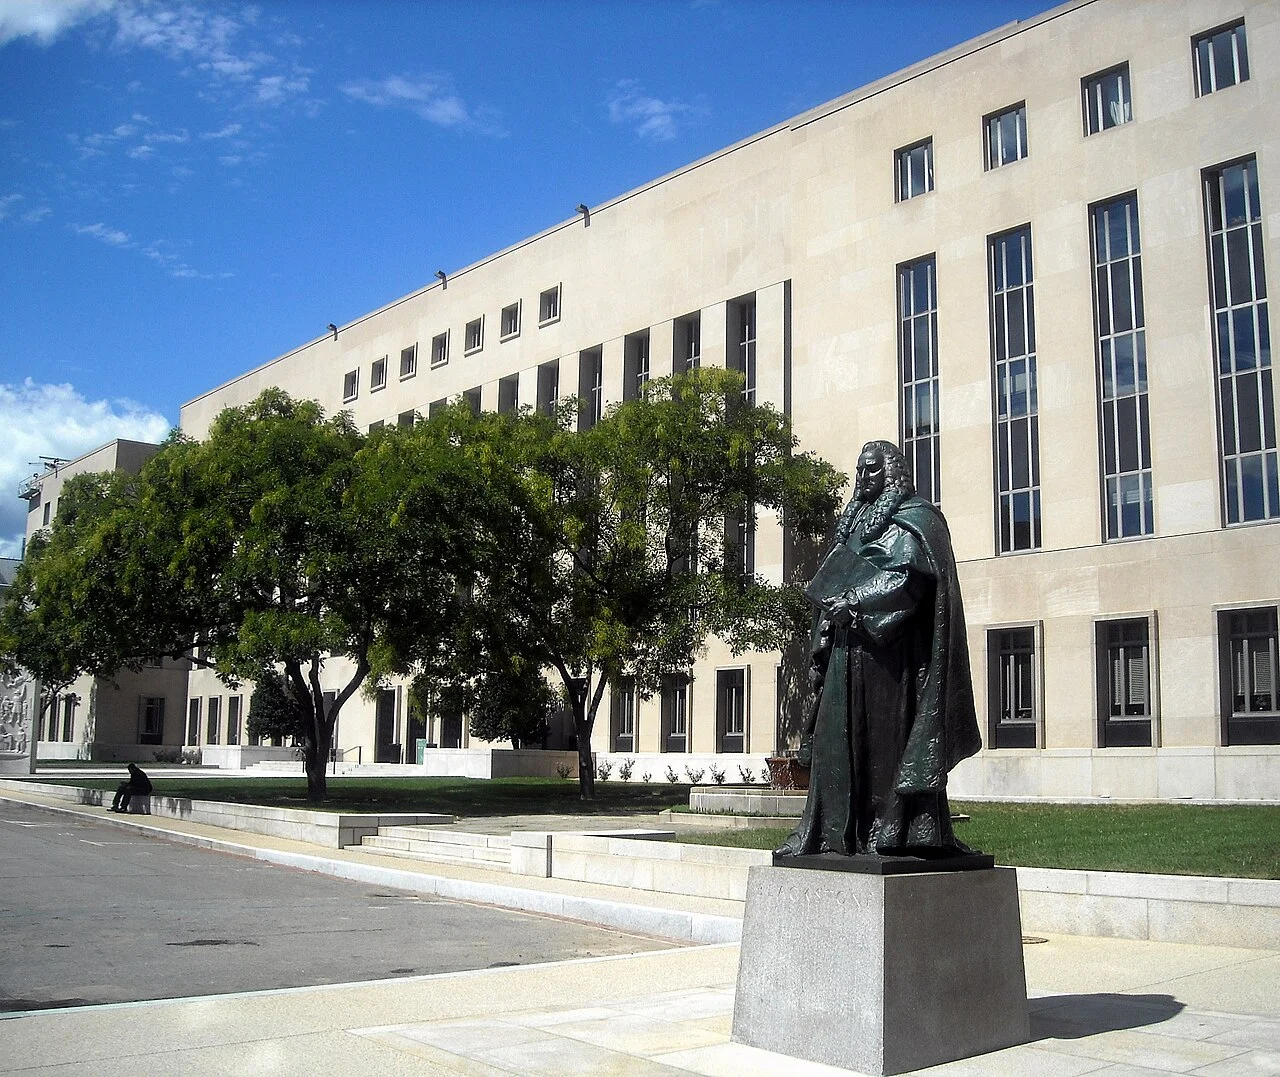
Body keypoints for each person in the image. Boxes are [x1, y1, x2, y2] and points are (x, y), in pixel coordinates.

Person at [775, 440, 982, 859]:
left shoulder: (916, 519)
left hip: (890, 660)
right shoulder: (855, 524)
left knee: (886, 746)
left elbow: (908, 582)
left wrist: (857, 601)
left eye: (871, 470)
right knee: (837, 740)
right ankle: (833, 833)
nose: (863, 479)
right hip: (846, 650)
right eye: (859, 471)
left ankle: (891, 833)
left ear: (890, 472)